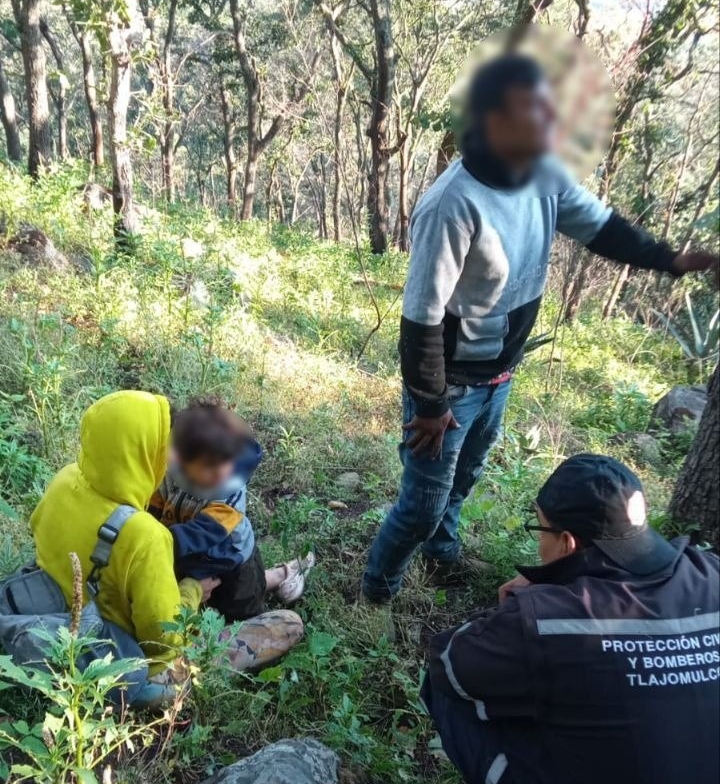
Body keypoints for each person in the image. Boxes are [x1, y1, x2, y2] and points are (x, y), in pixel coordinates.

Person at [361, 53, 717, 602]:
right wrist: (431, 406)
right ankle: (376, 590)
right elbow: (421, 318)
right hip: (451, 383)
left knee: (467, 475)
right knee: (423, 502)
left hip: (499, 373)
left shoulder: (543, 176)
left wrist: (671, 260)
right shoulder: (451, 204)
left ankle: (442, 551)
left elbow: (602, 230)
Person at [423, 454, 720, 784]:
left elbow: (448, 665)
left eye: (539, 531)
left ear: (566, 543)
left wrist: (523, 603)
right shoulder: (712, 576)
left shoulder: (548, 620)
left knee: (447, 692)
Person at [30, 391, 303, 701]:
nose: (168, 456)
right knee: (288, 623)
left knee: (244, 590)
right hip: (121, 649)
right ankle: (279, 577)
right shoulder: (146, 538)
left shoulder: (63, 480)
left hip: (61, 610)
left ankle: (277, 575)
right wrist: (191, 592)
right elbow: (164, 639)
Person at [150, 396, 315, 620]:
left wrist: (154, 543)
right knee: (202, 600)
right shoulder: (173, 473)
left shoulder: (229, 491)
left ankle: (283, 577)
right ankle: (282, 574)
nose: (220, 473)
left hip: (231, 561)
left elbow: (205, 531)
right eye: (209, 466)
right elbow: (156, 501)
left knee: (241, 604)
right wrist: (148, 521)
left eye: (223, 464)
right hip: (189, 554)